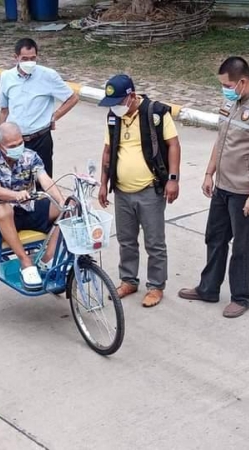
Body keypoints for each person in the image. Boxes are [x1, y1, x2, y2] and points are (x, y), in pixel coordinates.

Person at [178, 57, 249, 318]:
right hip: (223, 185)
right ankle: (208, 288)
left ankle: (241, 297)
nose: (224, 89)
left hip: (246, 190)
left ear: (242, 82)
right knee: (215, 237)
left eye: (227, 85)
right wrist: (209, 172)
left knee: (243, 246)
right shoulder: (232, 102)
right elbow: (221, 138)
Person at [97, 74, 181, 307]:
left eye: (118, 102)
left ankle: (156, 286)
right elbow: (107, 151)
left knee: (154, 242)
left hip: (149, 190)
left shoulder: (156, 113)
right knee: (126, 240)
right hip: (121, 191)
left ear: (132, 96)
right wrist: (103, 183)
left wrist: (173, 179)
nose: (115, 107)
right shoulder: (113, 117)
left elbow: (173, 145)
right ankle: (128, 280)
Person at [0, 122, 65, 290]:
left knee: (70, 207)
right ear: (0, 146)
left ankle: (48, 258)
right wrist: (15, 195)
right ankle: (25, 262)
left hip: (28, 206)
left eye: (20, 143)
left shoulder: (30, 156)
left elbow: (45, 179)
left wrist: (61, 201)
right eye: (12, 146)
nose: (18, 148)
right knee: (4, 210)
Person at [0, 38, 79, 177]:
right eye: (25, 59)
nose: (29, 62)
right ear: (16, 57)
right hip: (16, 142)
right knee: (15, 181)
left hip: (41, 139)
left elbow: (72, 98)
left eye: (33, 58)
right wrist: (1, 137)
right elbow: (4, 110)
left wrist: (54, 116)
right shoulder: (6, 77)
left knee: (43, 181)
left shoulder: (48, 76)